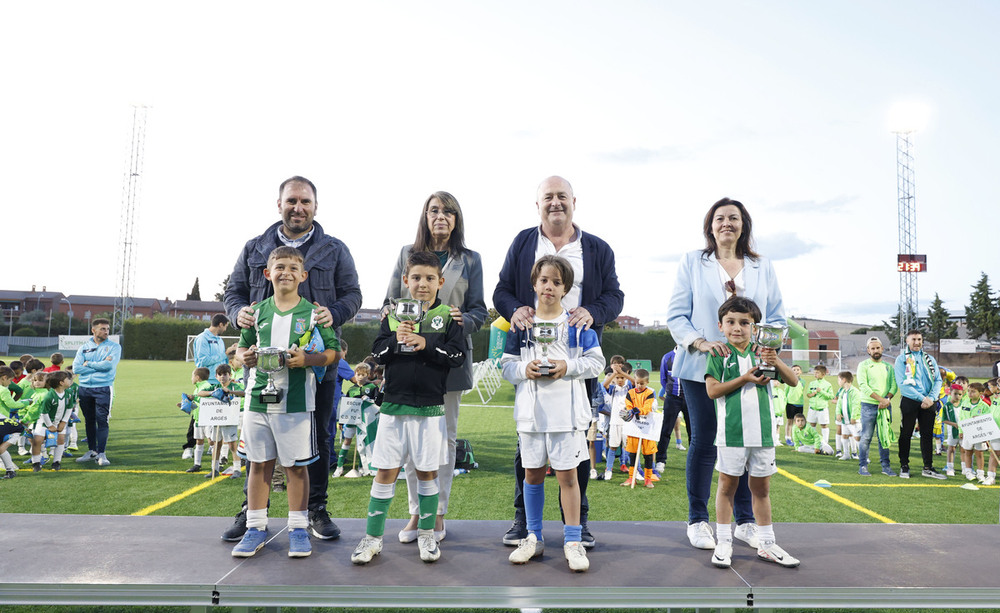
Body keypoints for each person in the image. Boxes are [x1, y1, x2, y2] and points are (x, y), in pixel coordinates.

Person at [223, 175, 362, 542]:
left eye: (305, 202)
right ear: (279, 204)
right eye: (291, 201)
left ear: (315, 207)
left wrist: (335, 312)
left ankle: (314, 509)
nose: (298, 208)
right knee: (259, 445)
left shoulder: (334, 248)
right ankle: (253, 514)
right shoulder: (255, 247)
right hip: (262, 366)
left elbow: (353, 294)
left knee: (319, 437)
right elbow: (233, 291)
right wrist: (238, 312)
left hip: (315, 364)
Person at [493, 175, 623, 549]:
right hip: (532, 352)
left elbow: (615, 295)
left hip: (575, 353)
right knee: (528, 445)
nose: (555, 203)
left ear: (574, 202)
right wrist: (515, 310)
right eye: (548, 197)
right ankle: (524, 522)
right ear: (538, 205)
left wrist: (591, 311)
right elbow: (501, 289)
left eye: (561, 196)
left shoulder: (596, 248)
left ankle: (577, 524)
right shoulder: (523, 242)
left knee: (577, 443)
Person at [666, 197, 784, 551]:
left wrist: (767, 349)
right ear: (710, 226)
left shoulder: (762, 266)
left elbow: (776, 315)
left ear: (743, 225)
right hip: (701, 365)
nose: (726, 223)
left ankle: (746, 523)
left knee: (747, 440)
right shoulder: (692, 262)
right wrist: (700, 342)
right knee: (704, 441)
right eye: (720, 218)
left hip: (749, 368)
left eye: (733, 218)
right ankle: (698, 520)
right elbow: (675, 315)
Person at [383, 191, 487, 543]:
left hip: (449, 363)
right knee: (412, 441)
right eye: (434, 210)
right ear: (424, 216)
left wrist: (463, 319)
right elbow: (388, 302)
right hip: (409, 360)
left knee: (444, 440)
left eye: (448, 211)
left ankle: (437, 513)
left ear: (457, 219)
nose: (440, 216)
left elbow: (479, 311)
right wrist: (391, 320)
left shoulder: (470, 260)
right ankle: (416, 513)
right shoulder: (404, 255)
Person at [351, 251, 465, 566]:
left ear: (440, 282)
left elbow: (457, 358)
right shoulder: (392, 316)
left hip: (430, 409)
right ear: (405, 281)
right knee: (386, 471)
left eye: (429, 278)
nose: (422, 284)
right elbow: (378, 353)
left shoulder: (448, 317)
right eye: (416, 278)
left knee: (427, 472)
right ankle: (372, 539)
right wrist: (397, 339)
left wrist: (426, 343)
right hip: (393, 407)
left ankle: (427, 536)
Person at [231, 246, 340, 559]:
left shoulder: (314, 314)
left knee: (295, 467)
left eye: (293, 268)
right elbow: (241, 350)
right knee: (258, 464)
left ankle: (297, 528)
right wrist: (244, 357)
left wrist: (308, 358)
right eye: (279, 267)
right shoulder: (255, 312)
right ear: (268, 273)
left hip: (295, 403)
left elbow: (334, 353)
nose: (286, 273)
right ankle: (255, 527)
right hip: (256, 401)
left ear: (303, 276)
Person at [501, 255, 605, 572]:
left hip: (568, 415)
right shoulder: (520, 324)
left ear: (565, 289)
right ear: (534, 283)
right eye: (544, 280)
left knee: (568, 478)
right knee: (531, 475)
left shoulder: (577, 323)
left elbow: (596, 363)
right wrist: (525, 369)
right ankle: (532, 536)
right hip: (531, 415)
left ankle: (572, 541)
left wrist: (566, 367)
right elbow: (506, 366)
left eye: (557, 282)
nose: (549, 286)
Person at [706, 296, 799, 569]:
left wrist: (776, 360)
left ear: (755, 327)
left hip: (764, 434)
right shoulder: (719, 354)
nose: (738, 328)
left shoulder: (764, 351)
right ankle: (723, 542)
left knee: (761, 488)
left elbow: (793, 381)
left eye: (745, 322)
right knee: (727, 486)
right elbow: (712, 391)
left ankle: (767, 544)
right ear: (720, 325)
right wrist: (745, 378)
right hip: (732, 433)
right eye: (731, 322)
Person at [893, 329, 946, 479]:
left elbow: (938, 380)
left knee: (927, 435)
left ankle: (928, 467)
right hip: (911, 400)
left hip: (929, 401)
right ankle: (904, 466)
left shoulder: (929, 359)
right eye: (914, 339)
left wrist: (931, 398)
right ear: (907, 341)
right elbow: (902, 384)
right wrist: (922, 399)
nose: (917, 342)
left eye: (919, 339)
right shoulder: (901, 359)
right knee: (906, 434)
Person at [73, 318, 121, 467]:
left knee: (102, 421)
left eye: (107, 329)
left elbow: (108, 366)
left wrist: (89, 364)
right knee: (89, 421)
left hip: (103, 388)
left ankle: (102, 453)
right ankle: (92, 451)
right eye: (102, 329)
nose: (106, 332)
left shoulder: (114, 347)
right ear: (93, 330)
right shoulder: (84, 347)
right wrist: (97, 365)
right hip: (85, 388)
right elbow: (76, 368)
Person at [855, 337, 898, 477]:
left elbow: (894, 385)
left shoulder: (888, 367)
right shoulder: (863, 365)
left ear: (882, 349)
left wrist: (887, 399)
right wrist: (881, 400)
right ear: (868, 350)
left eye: (877, 348)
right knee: (866, 437)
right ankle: (863, 466)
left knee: (883, 437)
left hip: (885, 407)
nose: (875, 350)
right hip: (869, 406)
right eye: (872, 348)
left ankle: (886, 466)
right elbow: (863, 386)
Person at [24, 371, 74, 472]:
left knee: (60, 440)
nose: (70, 380)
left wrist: (63, 422)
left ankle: (56, 462)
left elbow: (69, 408)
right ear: (61, 383)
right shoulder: (49, 396)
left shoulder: (68, 393)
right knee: (37, 440)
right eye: (67, 379)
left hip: (59, 422)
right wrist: (50, 426)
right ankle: (36, 463)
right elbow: (44, 413)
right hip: (43, 422)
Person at [621, 369, 657, 488]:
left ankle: (648, 479)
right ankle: (632, 477)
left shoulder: (650, 393)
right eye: (637, 383)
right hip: (634, 427)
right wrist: (629, 411)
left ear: (647, 382)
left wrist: (637, 410)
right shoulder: (630, 393)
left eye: (642, 383)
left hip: (647, 427)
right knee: (632, 453)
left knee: (647, 454)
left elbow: (647, 408)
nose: (639, 385)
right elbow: (628, 406)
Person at [657, 347, 690, 473]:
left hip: (690, 398)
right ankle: (660, 460)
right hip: (672, 398)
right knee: (666, 429)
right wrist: (671, 392)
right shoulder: (667, 357)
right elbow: (663, 379)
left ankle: (693, 462)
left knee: (693, 431)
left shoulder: (692, 355)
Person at [181, 367, 216, 473]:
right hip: (198, 418)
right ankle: (197, 464)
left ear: (197, 377)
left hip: (207, 418)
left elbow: (208, 400)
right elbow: (199, 404)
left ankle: (216, 464)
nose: (191, 378)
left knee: (211, 441)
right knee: (199, 441)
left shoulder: (206, 386)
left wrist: (194, 398)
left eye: (192, 376)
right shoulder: (197, 387)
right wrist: (187, 405)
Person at [834, 371, 862, 461]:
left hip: (853, 421)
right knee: (844, 436)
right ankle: (846, 454)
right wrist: (838, 413)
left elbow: (856, 405)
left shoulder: (855, 392)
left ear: (844, 380)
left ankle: (863, 456)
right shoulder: (843, 392)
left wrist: (854, 417)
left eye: (839, 380)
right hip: (844, 420)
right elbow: (839, 403)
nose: (838, 382)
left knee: (857, 437)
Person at [805, 365, 834, 450]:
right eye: (814, 373)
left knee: (824, 425)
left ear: (823, 374)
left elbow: (831, 396)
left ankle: (825, 443)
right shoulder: (812, 383)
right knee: (812, 424)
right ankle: (813, 442)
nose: (815, 374)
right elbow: (808, 394)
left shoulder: (828, 384)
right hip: (812, 408)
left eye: (817, 373)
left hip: (822, 409)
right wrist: (812, 394)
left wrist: (821, 392)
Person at [939, 384, 963, 477]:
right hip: (952, 432)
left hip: (963, 431)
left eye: (960, 394)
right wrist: (954, 424)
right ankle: (950, 467)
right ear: (950, 393)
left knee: (963, 449)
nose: (957, 396)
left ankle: (965, 468)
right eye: (955, 394)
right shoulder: (947, 406)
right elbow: (943, 419)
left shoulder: (964, 404)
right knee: (951, 448)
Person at [783, 365, 805, 445]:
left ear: (801, 371)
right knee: (790, 421)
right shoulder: (788, 381)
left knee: (799, 423)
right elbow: (786, 392)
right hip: (790, 404)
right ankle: (788, 438)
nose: (796, 371)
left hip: (800, 404)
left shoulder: (803, 382)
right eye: (794, 370)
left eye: (798, 369)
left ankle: (798, 438)